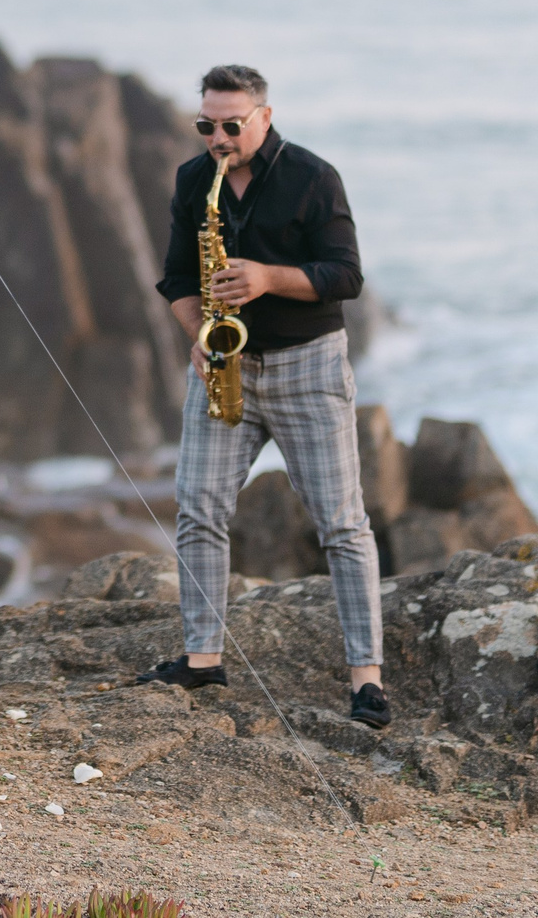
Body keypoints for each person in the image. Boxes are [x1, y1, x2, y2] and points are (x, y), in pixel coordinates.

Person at [135, 64, 390, 729]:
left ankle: (367, 678)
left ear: (265, 117)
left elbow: (346, 276)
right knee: (197, 509)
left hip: (309, 367)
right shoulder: (196, 181)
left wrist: (268, 277)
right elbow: (177, 277)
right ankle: (202, 656)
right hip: (228, 364)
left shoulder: (313, 176)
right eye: (206, 125)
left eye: (231, 125)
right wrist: (200, 335)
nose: (217, 137)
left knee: (342, 523)